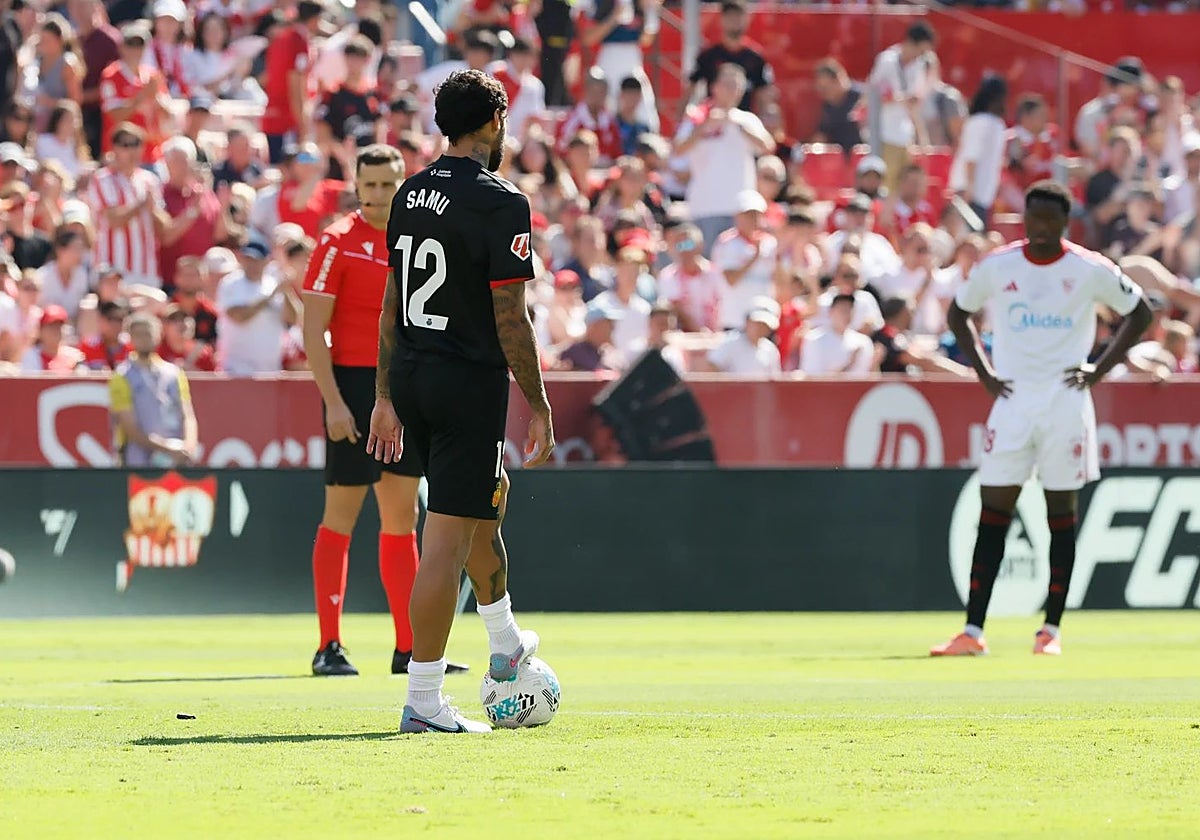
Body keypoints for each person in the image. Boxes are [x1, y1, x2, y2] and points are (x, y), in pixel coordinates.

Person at [366, 69, 554, 734]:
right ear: (494, 123)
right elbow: (511, 317)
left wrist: (384, 393)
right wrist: (538, 402)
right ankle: (422, 699)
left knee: (482, 502)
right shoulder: (502, 202)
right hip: (465, 381)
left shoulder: (411, 192)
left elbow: (392, 299)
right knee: (442, 542)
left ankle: (505, 643)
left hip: (411, 374)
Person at [931, 181, 1152, 658]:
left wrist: (1099, 368)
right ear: (1025, 219)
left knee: (1060, 515)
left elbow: (1140, 314)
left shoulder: (1088, 269)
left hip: (1064, 400)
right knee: (994, 511)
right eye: (1034, 220)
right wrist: (985, 374)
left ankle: (1050, 630)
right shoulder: (998, 265)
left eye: (1051, 221)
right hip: (1011, 400)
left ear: (1065, 223)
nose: (1041, 229)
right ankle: (972, 631)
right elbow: (957, 314)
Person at [300, 144, 469, 678]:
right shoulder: (336, 242)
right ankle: (329, 645)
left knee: (402, 520)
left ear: (403, 183)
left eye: (388, 184)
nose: (378, 195)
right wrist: (332, 402)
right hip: (352, 385)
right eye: (369, 185)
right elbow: (313, 331)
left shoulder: (416, 237)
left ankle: (408, 648)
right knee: (342, 518)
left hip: (402, 386)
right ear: (355, 184)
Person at [674, 63, 775, 254]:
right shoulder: (697, 118)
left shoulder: (747, 120)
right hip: (704, 207)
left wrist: (737, 126)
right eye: (727, 84)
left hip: (740, 210)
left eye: (736, 85)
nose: (731, 90)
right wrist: (703, 127)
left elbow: (768, 147)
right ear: (714, 87)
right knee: (706, 261)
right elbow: (678, 149)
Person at [108, 311, 198, 467]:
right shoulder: (120, 377)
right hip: (138, 462)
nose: (143, 339)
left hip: (176, 460)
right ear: (130, 338)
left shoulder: (175, 374)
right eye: (138, 334)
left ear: (158, 335)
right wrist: (166, 448)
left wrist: (187, 448)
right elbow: (129, 428)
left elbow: (187, 415)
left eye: (147, 334)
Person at [86, 123, 164, 288]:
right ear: (114, 148)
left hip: (145, 270)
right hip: (112, 269)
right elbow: (114, 221)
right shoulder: (102, 179)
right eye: (125, 145)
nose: (132, 150)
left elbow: (163, 229)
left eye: (136, 144)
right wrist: (142, 204)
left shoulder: (150, 180)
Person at [868, 21, 936, 195]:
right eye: (920, 50)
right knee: (886, 185)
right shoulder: (887, 61)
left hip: (906, 135)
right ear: (910, 43)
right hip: (885, 134)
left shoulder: (918, 65)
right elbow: (880, 95)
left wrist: (922, 136)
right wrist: (903, 99)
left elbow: (914, 103)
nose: (920, 55)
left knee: (903, 187)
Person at [215, 234, 294, 375]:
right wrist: (269, 297)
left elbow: (292, 319)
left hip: (270, 371)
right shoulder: (230, 283)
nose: (251, 264)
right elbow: (238, 316)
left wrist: (287, 291)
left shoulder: (274, 283)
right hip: (235, 371)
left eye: (256, 260)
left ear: (266, 261)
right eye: (247, 259)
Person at [682, 0, 772, 117]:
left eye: (738, 16)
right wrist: (682, 120)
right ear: (721, 19)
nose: (734, 21)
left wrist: (761, 123)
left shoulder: (756, 58)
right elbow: (690, 89)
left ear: (747, 19)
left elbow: (763, 97)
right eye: (730, 16)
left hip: (743, 123)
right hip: (713, 121)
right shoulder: (708, 56)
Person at [262, 0, 324, 163]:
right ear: (314, 19)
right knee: (289, 173)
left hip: (274, 115)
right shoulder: (298, 41)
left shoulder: (281, 37)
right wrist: (303, 124)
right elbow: (295, 85)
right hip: (287, 121)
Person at [949, 75, 1008, 224]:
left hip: (983, 196)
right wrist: (968, 189)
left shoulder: (996, 124)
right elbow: (971, 156)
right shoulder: (980, 122)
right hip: (968, 193)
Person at [873, 296, 970, 375]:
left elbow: (925, 356)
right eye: (911, 311)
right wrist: (964, 374)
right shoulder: (888, 335)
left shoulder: (896, 335)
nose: (913, 315)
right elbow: (922, 360)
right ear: (903, 313)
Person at [799, 293, 874, 374]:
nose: (846, 314)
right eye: (843, 310)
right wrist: (848, 364)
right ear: (831, 311)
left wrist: (875, 363)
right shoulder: (814, 340)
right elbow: (813, 378)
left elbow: (869, 375)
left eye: (850, 309)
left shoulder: (864, 341)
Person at [703, 304, 781, 375]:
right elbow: (711, 368)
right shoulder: (730, 343)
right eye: (757, 324)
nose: (759, 329)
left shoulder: (770, 349)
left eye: (764, 325)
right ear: (747, 322)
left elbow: (775, 378)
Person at [812, 58, 864, 152]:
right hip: (838, 158)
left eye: (825, 88)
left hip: (862, 154)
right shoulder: (828, 105)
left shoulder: (862, 97)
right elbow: (822, 135)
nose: (823, 92)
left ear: (838, 80)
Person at [21, 304, 85, 372]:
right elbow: (32, 381)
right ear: (40, 331)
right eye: (51, 327)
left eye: (59, 327)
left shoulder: (73, 356)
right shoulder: (32, 356)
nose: (56, 331)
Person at [79, 298, 131, 370]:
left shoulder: (131, 347)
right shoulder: (88, 346)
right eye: (111, 319)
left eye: (120, 319)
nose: (116, 324)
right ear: (101, 320)